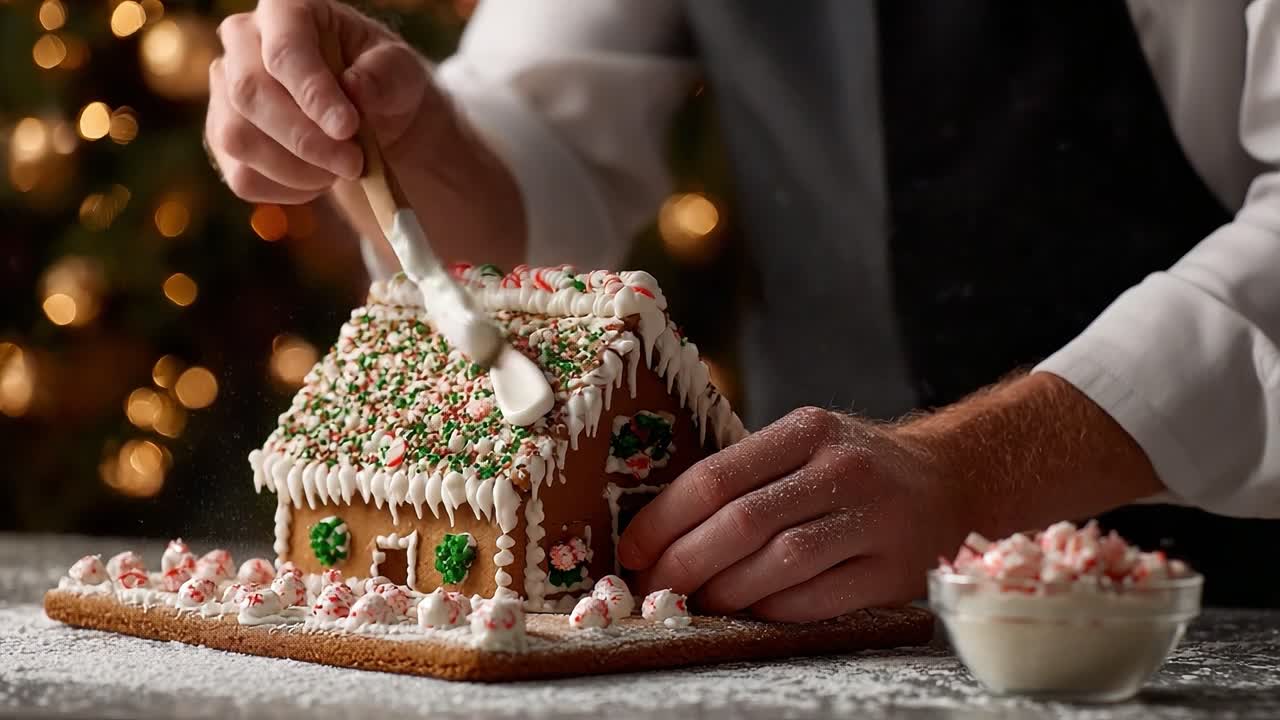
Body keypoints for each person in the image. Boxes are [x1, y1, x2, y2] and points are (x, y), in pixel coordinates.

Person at [205, 0, 1280, 621]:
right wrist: (409, 136)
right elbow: (536, 176)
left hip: (1227, 609)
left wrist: (973, 471)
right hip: (809, 612)